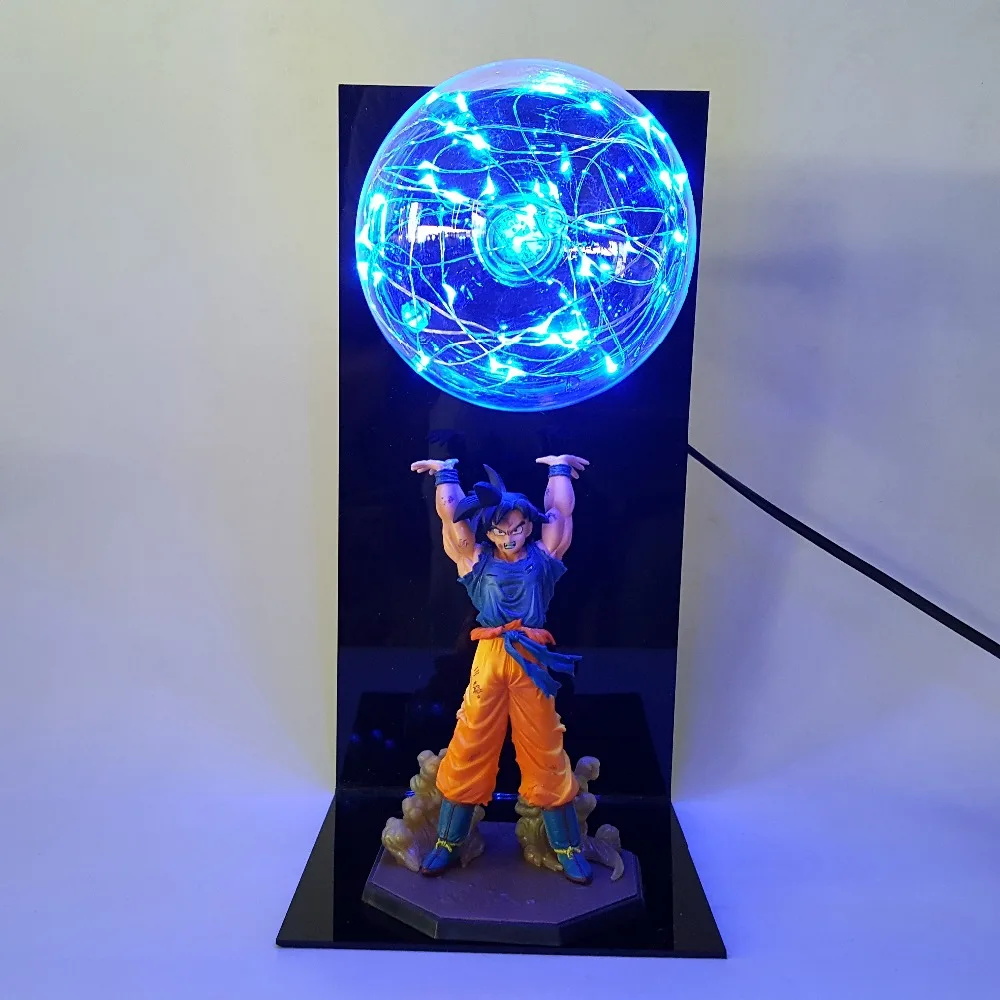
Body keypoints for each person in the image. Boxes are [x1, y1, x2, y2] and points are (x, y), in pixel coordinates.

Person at [408, 454, 593, 884]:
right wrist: (446, 474)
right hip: (490, 658)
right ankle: (448, 842)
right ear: (488, 530)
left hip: (531, 658)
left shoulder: (542, 558)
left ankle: (567, 847)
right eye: (500, 530)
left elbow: (560, 516)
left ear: (528, 526)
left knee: (545, 748)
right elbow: (453, 523)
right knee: (469, 744)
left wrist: (559, 470)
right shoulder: (477, 561)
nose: (510, 537)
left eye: (517, 528)